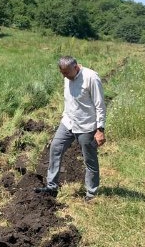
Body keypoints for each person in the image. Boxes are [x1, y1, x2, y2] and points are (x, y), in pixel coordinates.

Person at [35, 56, 106, 202]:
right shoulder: (67, 76)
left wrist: (100, 129)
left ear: (76, 67)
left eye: (66, 73)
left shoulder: (91, 78)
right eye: (62, 73)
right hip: (68, 122)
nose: (64, 76)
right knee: (55, 148)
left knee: (89, 159)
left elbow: (100, 105)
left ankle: (91, 193)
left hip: (86, 126)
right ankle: (52, 186)